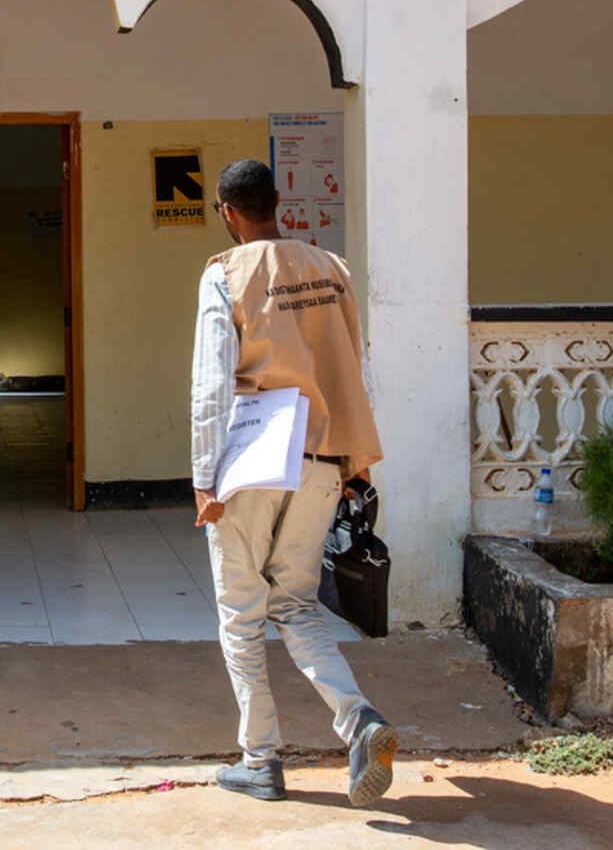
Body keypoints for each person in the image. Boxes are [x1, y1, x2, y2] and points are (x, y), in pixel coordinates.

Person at [191, 158, 395, 807]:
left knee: (241, 613)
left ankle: (261, 759)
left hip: (251, 453)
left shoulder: (224, 271)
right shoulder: (332, 269)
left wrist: (204, 476)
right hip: (320, 453)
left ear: (226, 211)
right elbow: (352, 361)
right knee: (297, 605)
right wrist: (353, 460)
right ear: (279, 204)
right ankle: (358, 719)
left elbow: (211, 380)